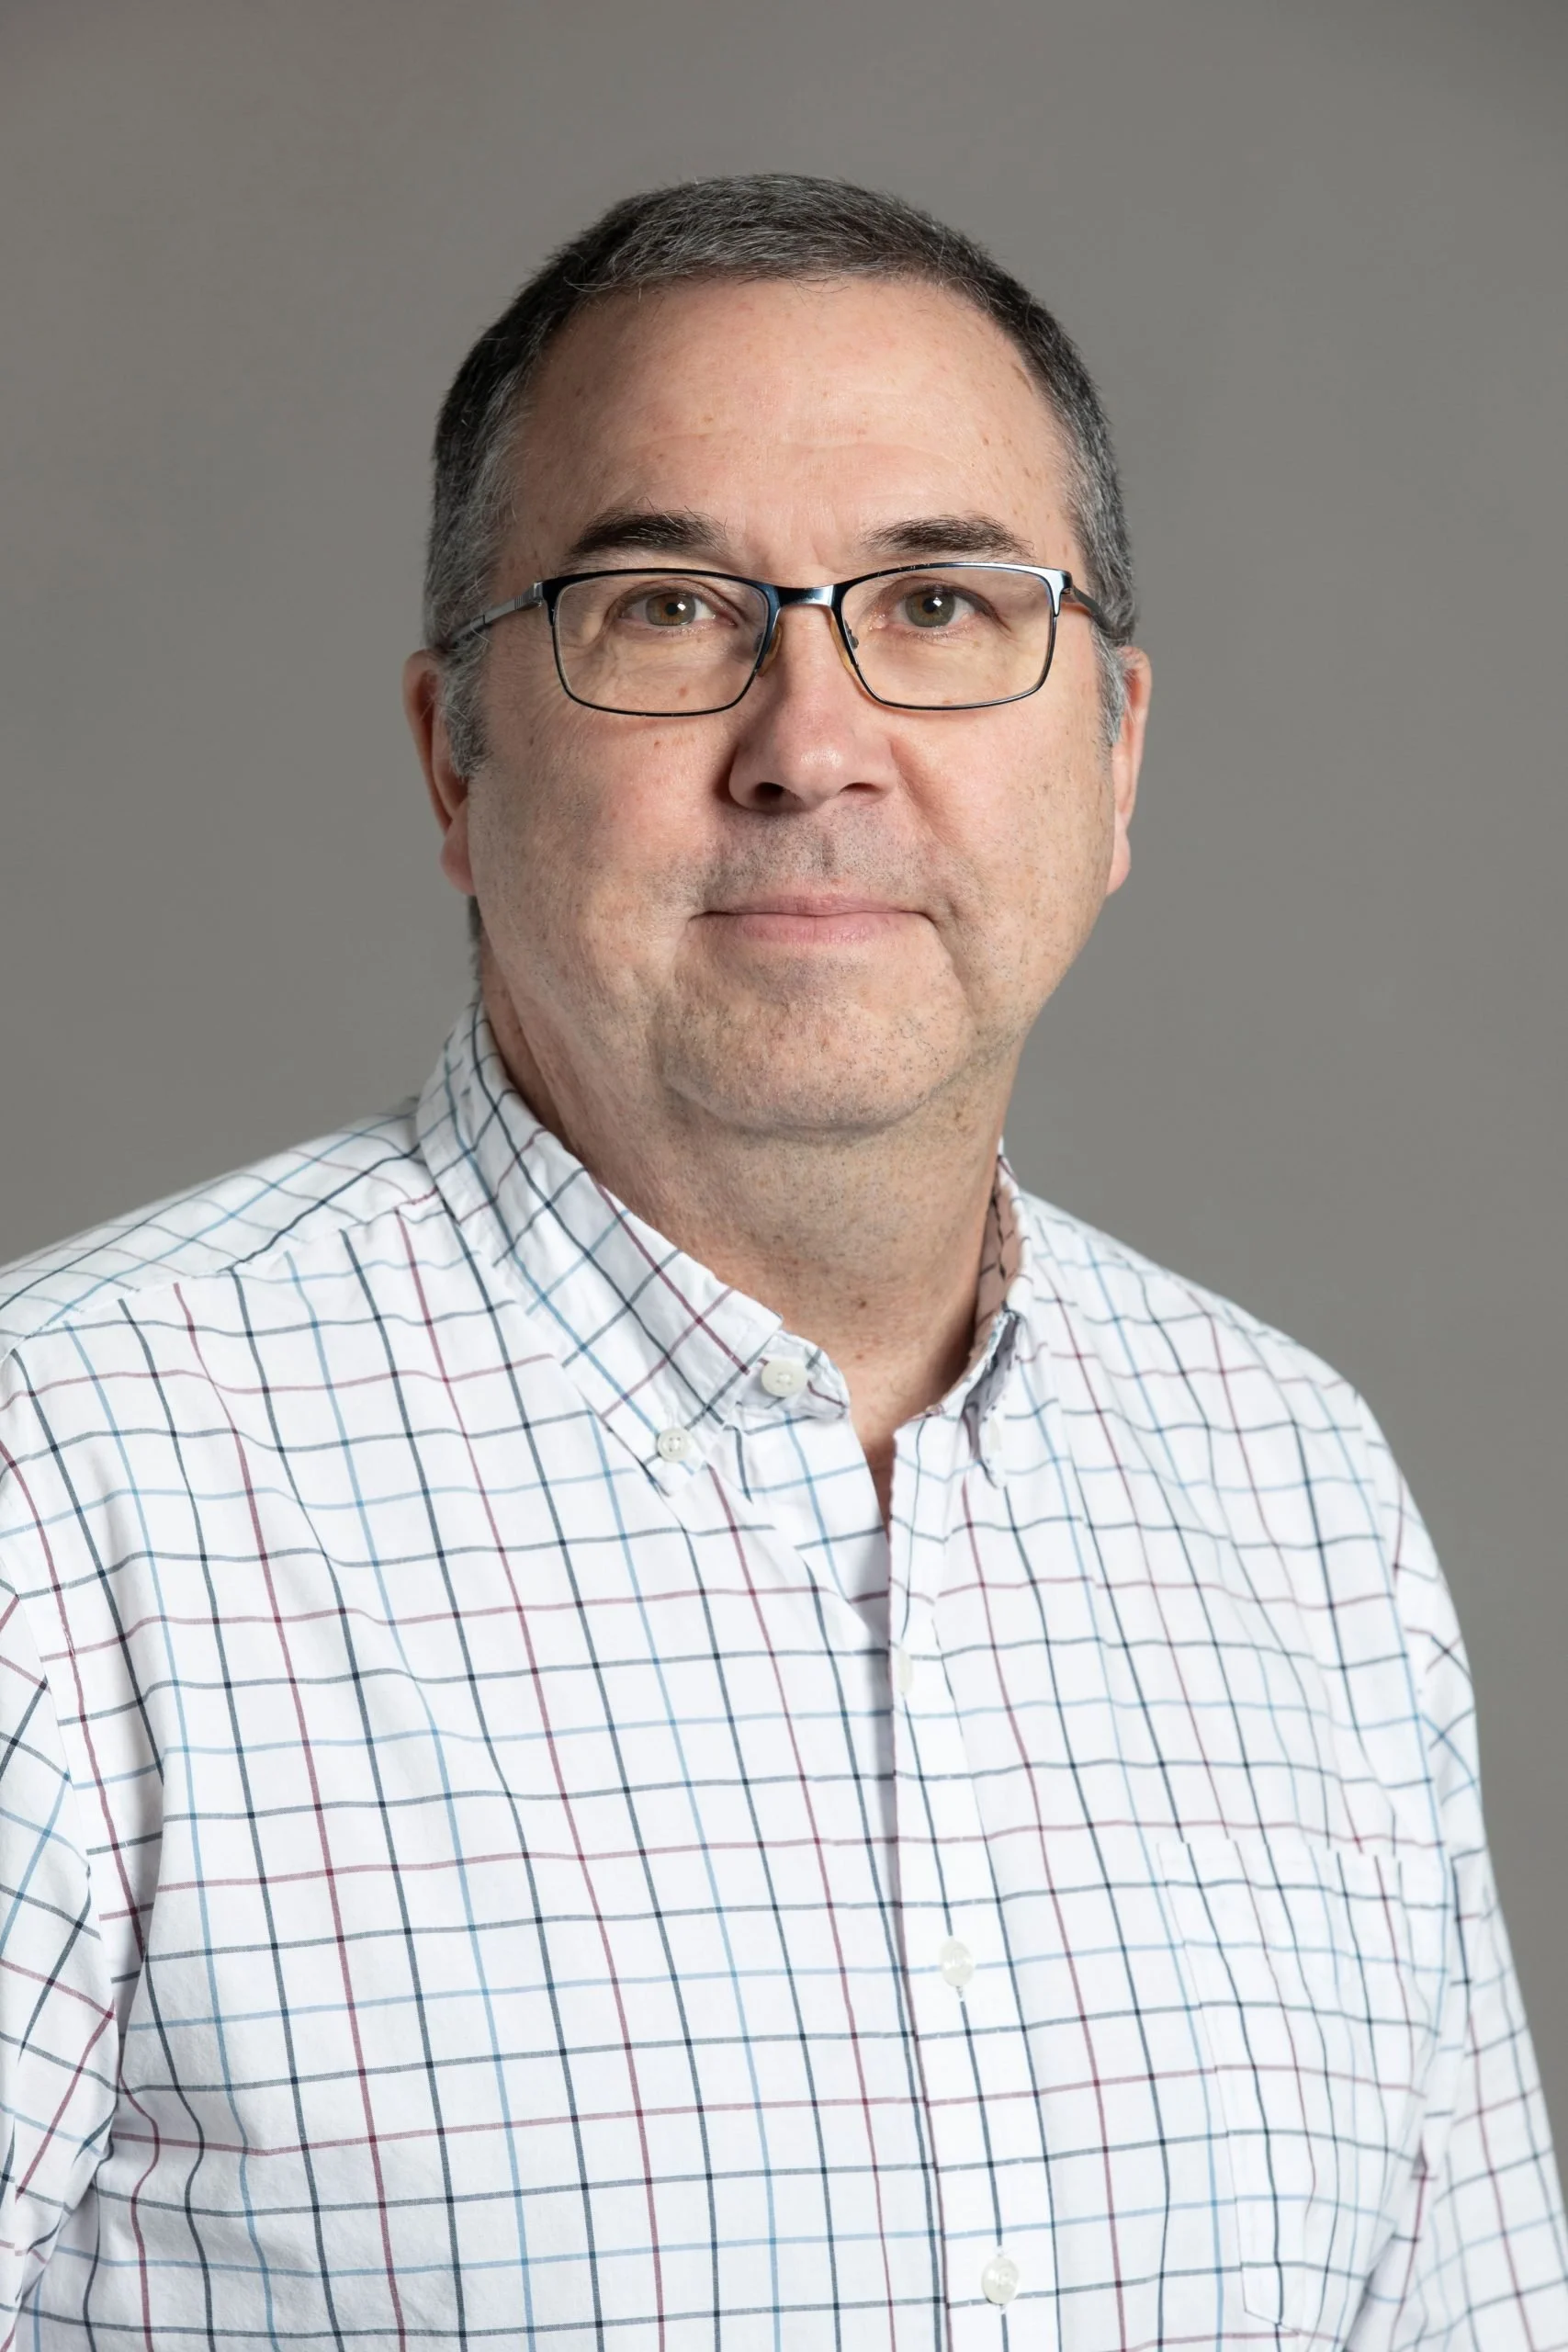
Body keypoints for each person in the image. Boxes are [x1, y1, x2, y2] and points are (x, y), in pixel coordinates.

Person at [1, 173, 1562, 2352]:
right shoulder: (60, 1503)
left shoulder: (1298, 1498)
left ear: (1115, 756)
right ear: (452, 757)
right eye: (661, 607)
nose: (811, 742)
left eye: (937, 604)